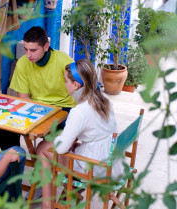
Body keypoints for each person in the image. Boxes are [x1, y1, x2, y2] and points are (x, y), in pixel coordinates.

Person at [35, 59, 123, 209]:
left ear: (75, 85)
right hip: (110, 162)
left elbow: (61, 149)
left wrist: (60, 139)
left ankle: (47, 205)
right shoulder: (105, 99)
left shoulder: (80, 111)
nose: (64, 84)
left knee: (43, 148)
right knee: (61, 145)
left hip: (93, 168)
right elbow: (95, 130)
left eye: (65, 81)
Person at [9, 26, 76, 112]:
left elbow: (81, 88)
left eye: (33, 50)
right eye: (26, 49)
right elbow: (23, 97)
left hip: (63, 107)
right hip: (35, 106)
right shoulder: (22, 63)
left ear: (46, 47)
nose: (28, 55)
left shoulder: (65, 62)